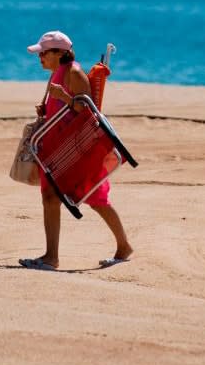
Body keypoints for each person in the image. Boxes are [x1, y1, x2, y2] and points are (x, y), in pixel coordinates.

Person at [19, 30, 134, 271]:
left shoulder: (73, 73)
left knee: (95, 198)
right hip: (57, 147)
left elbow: (87, 109)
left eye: (43, 53)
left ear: (59, 53)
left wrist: (63, 96)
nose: (39, 57)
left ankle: (121, 246)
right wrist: (47, 108)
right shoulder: (56, 74)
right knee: (51, 197)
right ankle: (52, 256)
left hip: (75, 150)